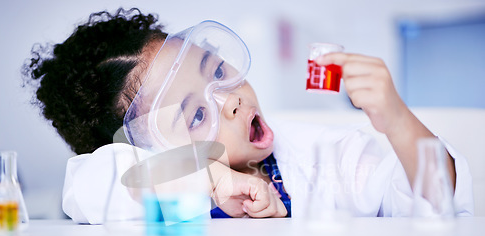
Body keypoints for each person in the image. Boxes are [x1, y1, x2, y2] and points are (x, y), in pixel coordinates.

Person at [24, 8, 473, 224]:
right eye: (197, 116)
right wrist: (214, 181)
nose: (230, 99)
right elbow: (91, 183)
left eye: (218, 70)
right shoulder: (139, 196)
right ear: (145, 148)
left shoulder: (321, 158)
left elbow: (438, 203)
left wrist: (394, 118)